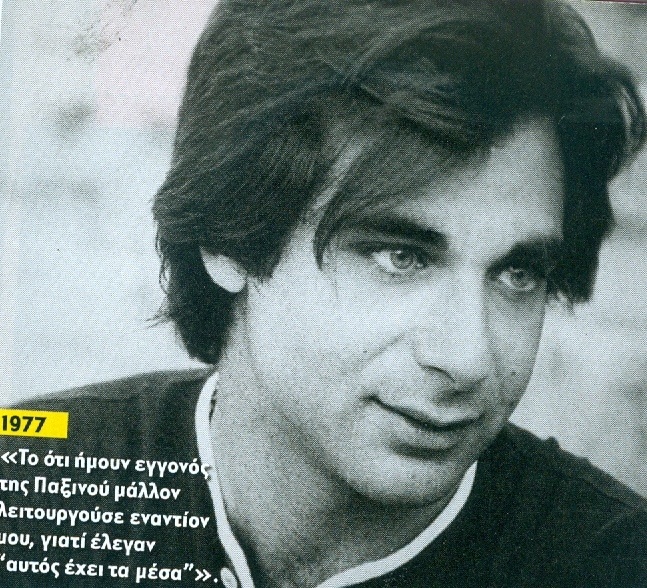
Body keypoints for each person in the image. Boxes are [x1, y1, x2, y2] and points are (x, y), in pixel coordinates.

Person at [2, 1, 647, 586]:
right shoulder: (26, 482)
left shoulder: (613, 564)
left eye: (518, 275)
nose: (467, 358)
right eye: (399, 257)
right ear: (229, 240)